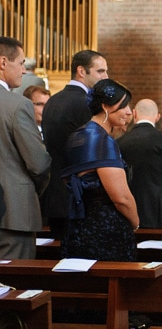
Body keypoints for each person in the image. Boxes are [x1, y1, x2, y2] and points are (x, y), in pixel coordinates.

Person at [60, 78, 138, 261]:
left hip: (77, 226)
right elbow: (121, 198)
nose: (129, 112)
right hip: (106, 232)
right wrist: (135, 223)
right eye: (123, 105)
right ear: (105, 106)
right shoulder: (102, 140)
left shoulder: (77, 135)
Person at [41, 49, 109, 241]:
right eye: (100, 71)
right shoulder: (86, 103)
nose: (106, 77)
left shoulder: (53, 101)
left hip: (54, 194)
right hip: (78, 198)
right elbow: (93, 153)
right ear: (81, 71)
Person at [0, 37, 51, 259]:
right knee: (13, 278)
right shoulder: (17, 105)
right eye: (21, 63)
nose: (23, 70)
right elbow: (39, 164)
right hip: (12, 212)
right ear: (3, 62)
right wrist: (28, 190)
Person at [117, 99, 162, 229]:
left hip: (129, 212)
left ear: (134, 113)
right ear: (158, 117)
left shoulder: (120, 141)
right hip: (160, 212)